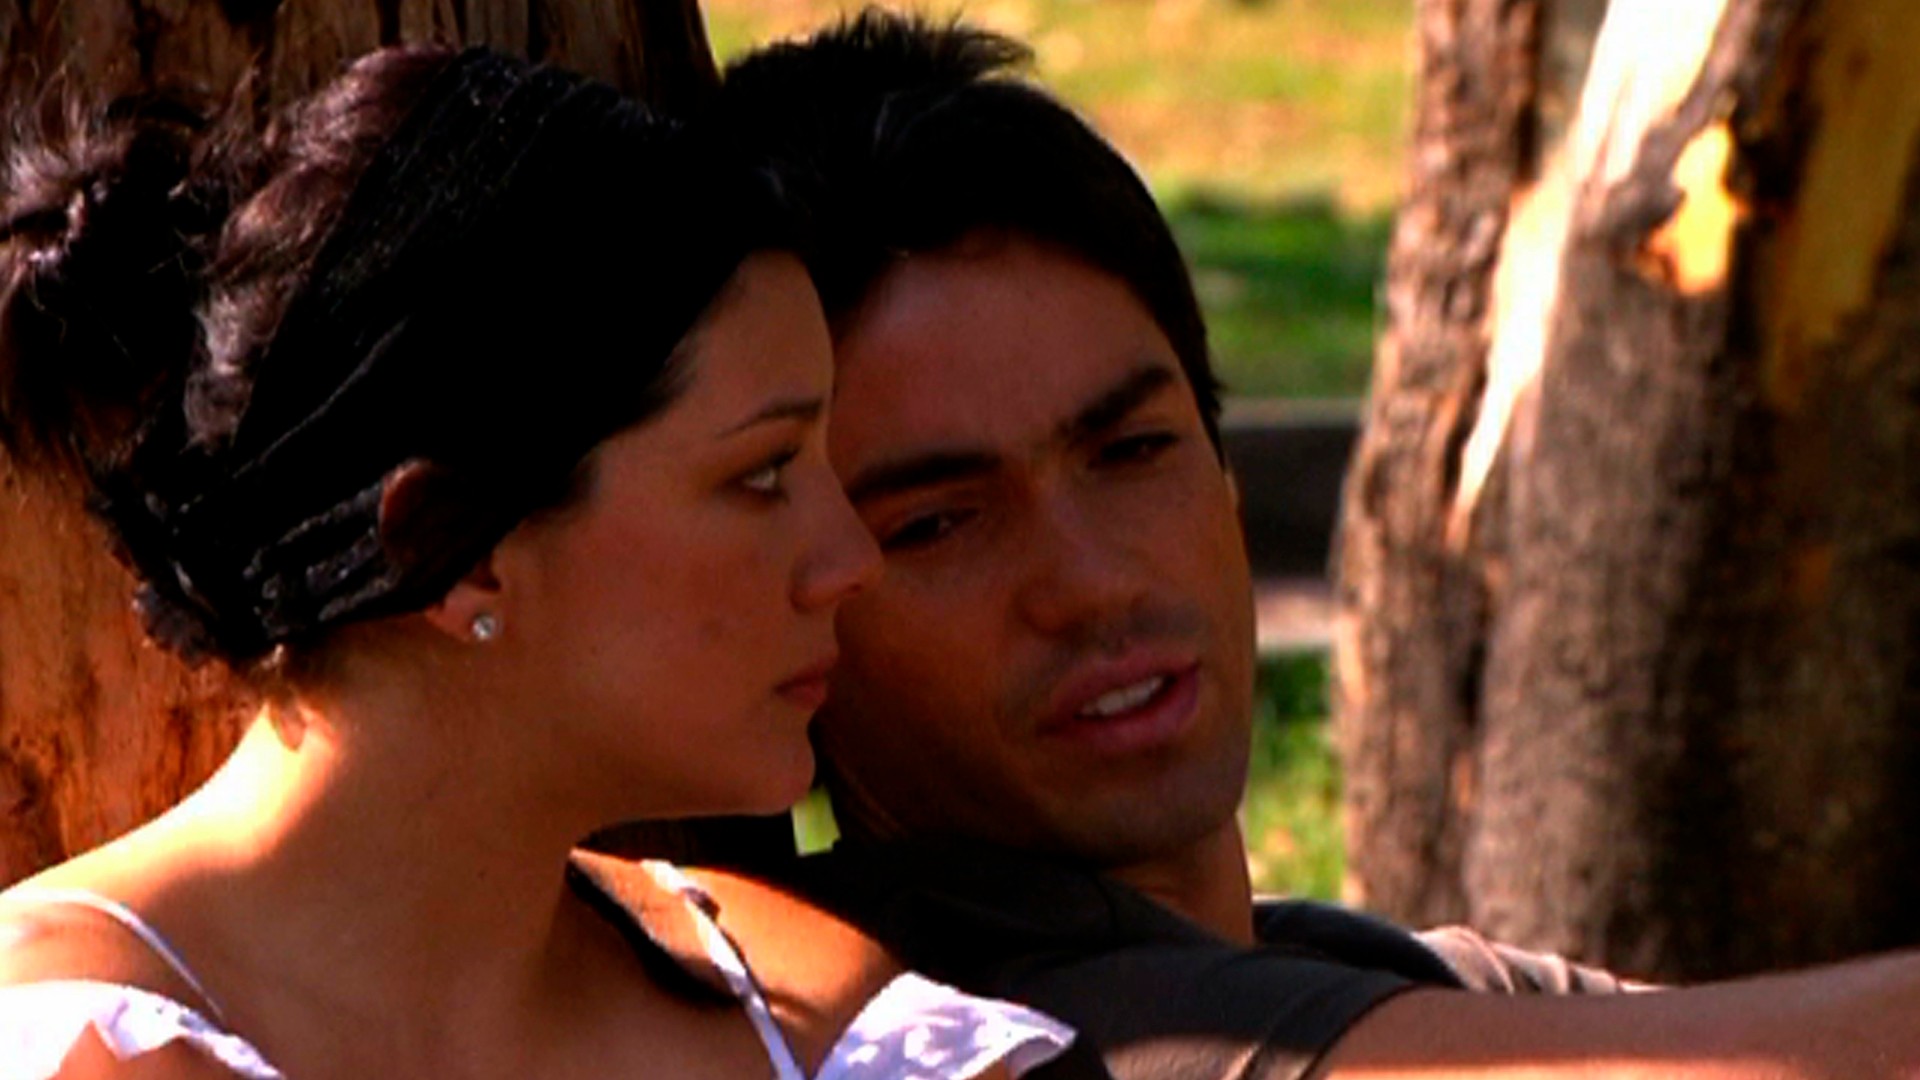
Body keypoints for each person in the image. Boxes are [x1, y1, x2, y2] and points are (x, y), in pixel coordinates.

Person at [708, 10, 1920, 1079]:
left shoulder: (1337, 969)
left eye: (1131, 450)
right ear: (797, 618)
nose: (1093, 582)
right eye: (936, 524)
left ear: (1223, 470)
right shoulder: (982, 1030)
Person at [0, 46, 1076, 1079]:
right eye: (761, 474)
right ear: (455, 548)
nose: (850, 561)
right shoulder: (78, 1045)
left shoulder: (828, 1025)